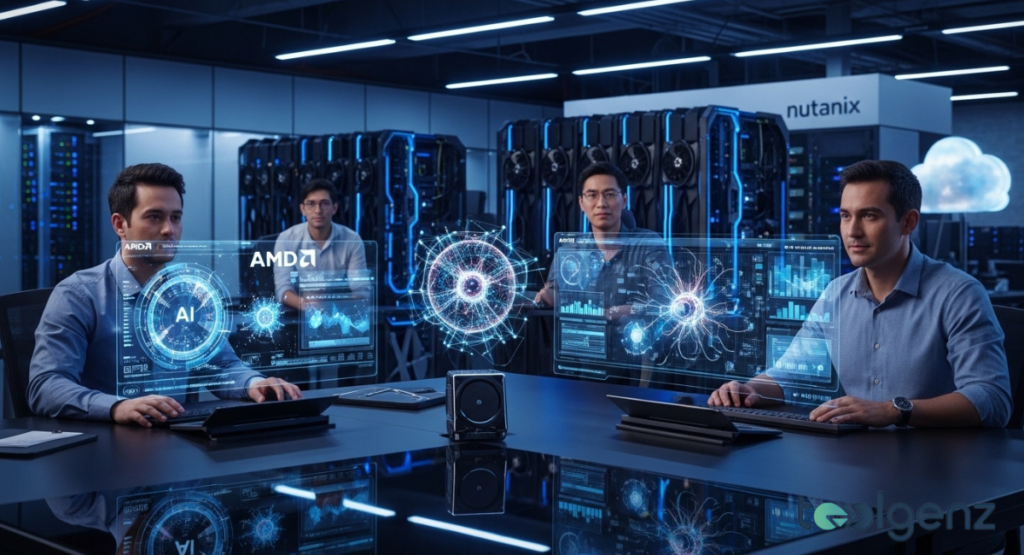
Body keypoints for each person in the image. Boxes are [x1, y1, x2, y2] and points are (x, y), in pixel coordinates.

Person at [708, 160, 1011, 428]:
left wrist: (895, 410)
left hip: (936, 471)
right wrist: (749, 390)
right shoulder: (835, 294)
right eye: (845, 216)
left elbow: (992, 399)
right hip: (856, 464)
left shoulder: (958, 294)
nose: (852, 231)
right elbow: (790, 375)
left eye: (869, 216)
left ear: (909, 222)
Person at [27, 163, 302, 427]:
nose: (169, 230)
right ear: (120, 224)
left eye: (176, 217)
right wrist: (116, 406)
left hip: (173, 441)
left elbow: (220, 366)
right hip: (104, 447)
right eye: (154, 216)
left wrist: (253, 383)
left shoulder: (191, 295)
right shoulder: (79, 294)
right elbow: (46, 386)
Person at [273, 178, 368, 310]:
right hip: (298, 313)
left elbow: (361, 289)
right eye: (311, 204)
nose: (318, 210)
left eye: (324, 204)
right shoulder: (286, 239)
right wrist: (308, 306)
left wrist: (334, 307)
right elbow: (283, 289)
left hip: (341, 313)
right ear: (302, 209)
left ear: (334, 208)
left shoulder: (352, 239)